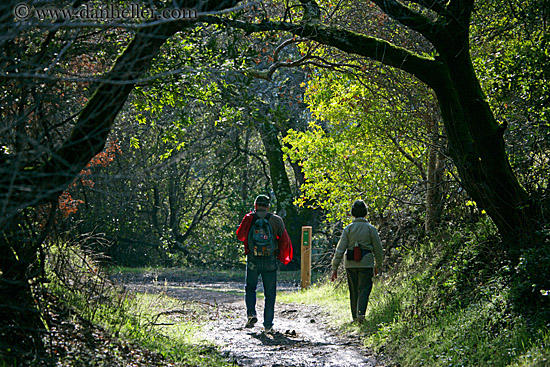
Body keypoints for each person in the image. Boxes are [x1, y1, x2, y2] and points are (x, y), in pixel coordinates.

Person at [236, 195, 293, 334]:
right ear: (268, 206)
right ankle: (268, 324)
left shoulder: (249, 218)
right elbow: (284, 241)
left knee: (250, 288)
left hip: (253, 259)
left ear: (255, 205)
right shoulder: (276, 220)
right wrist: (281, 256)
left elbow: (240, 237)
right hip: (270, 259)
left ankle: (251, 314)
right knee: (270, 293)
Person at [331, 199, 383, 324]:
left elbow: (340, 249)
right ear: (365, 212)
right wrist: (378, 265)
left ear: (353, 213)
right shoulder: (371, 229)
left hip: (350, 264)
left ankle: (355, 317)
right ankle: (361, 314)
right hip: (366, 263)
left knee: (353, 290)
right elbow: (378, 250)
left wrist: (335, 267)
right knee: (364, 288)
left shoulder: (348, 229)